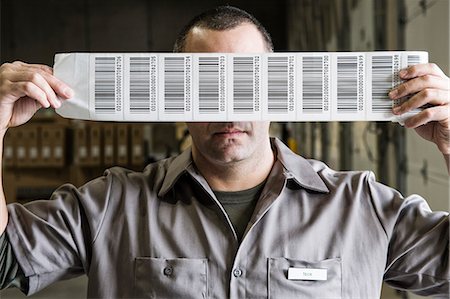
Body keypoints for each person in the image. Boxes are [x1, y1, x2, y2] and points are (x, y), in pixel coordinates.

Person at [0, 5, 449, 298]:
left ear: (277, 92)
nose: (228, 106)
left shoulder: (363, 207)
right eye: (204, 86)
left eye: (247, 84)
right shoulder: (110, 205)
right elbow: (5, 258)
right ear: (174, 96)